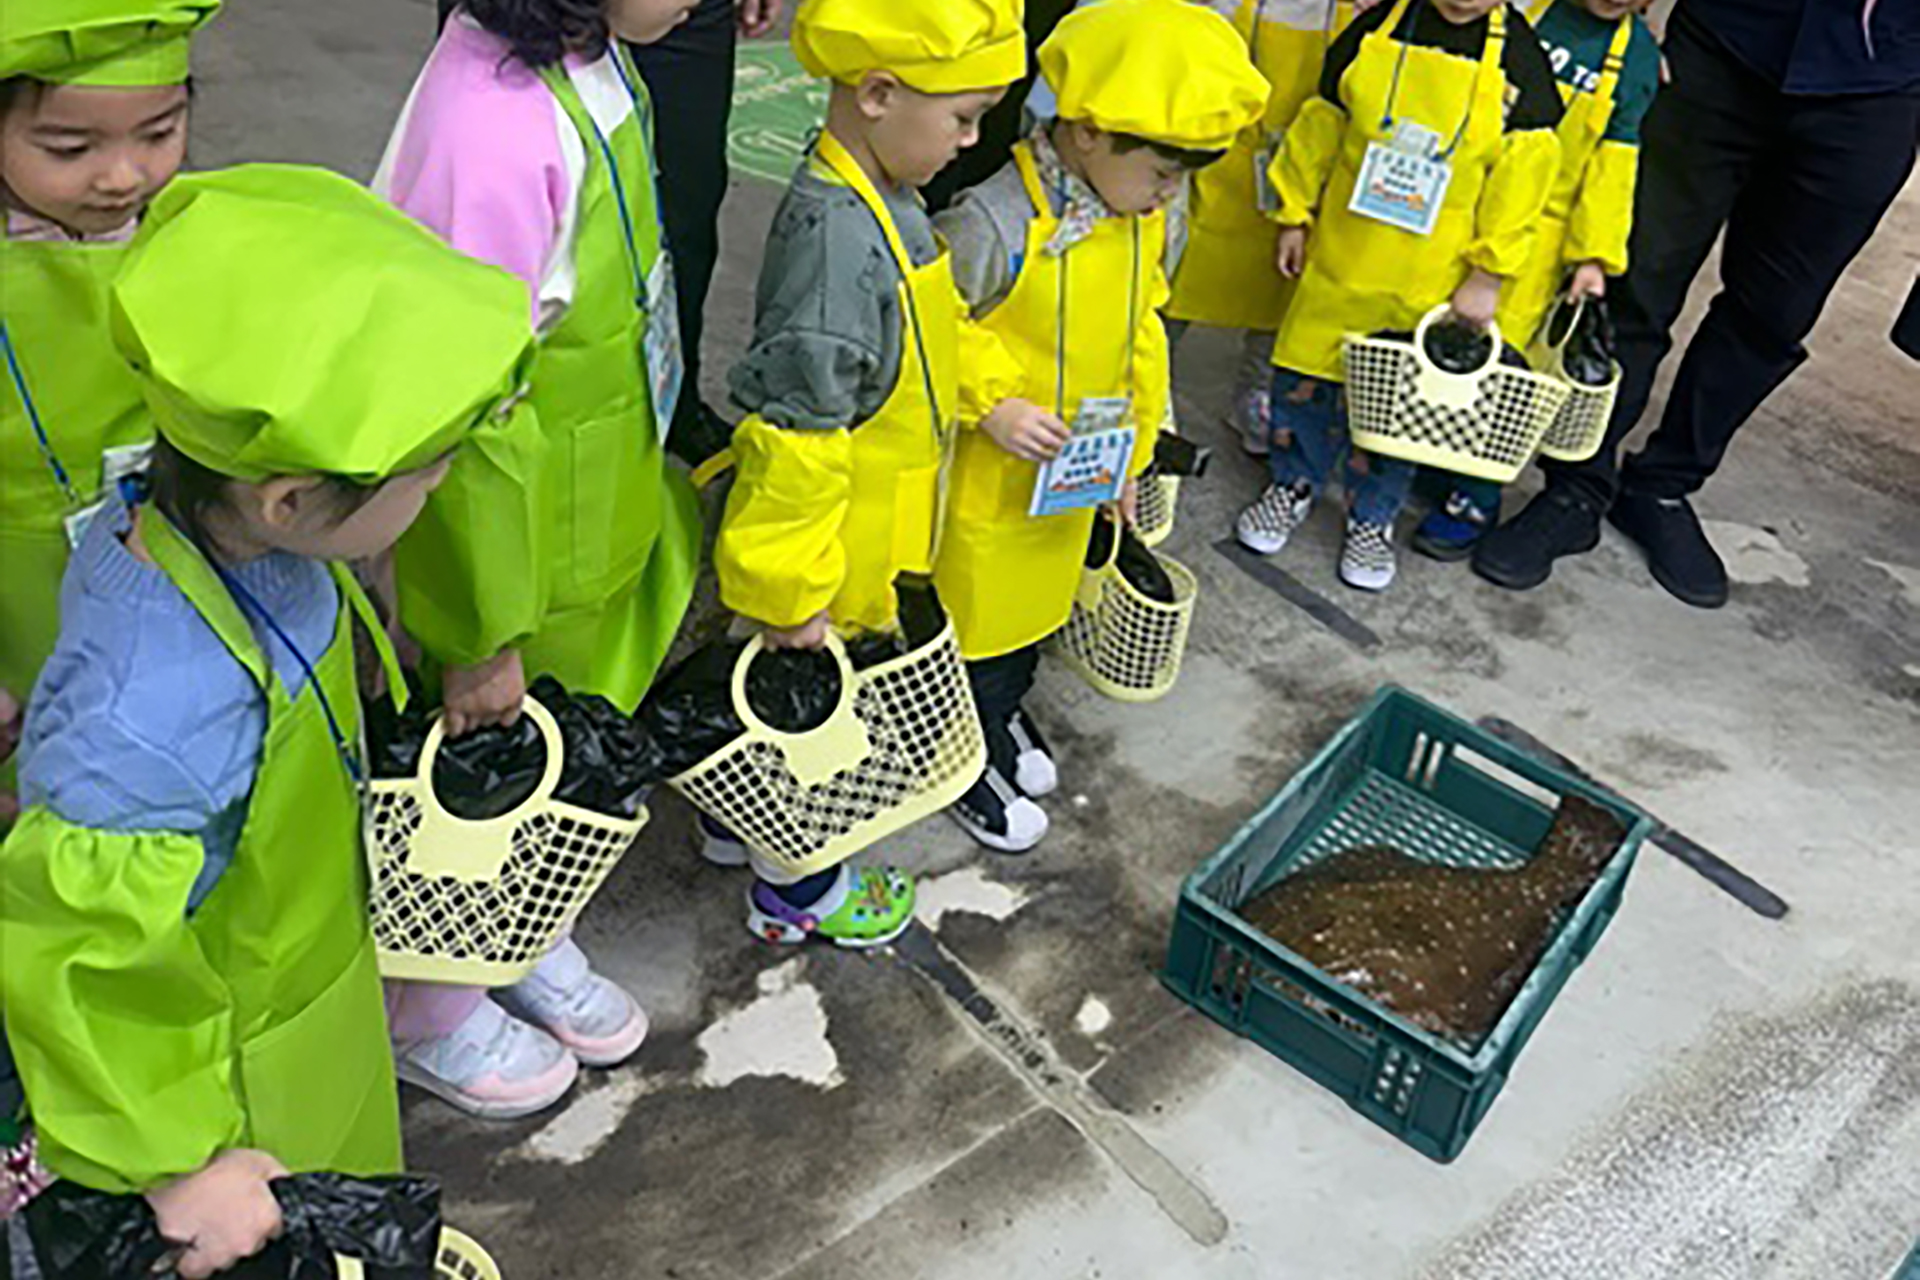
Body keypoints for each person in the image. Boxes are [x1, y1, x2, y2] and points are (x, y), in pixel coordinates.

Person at [1, 164, 534, 1276]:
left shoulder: (232, 534)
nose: (440, 487)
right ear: (291, 499)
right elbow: (87, 953)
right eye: (426, 473)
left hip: (313, 989)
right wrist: (181, 1158)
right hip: (229, 1073)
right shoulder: (138, 718)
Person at [374, 0, 701, 1119]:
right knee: (468, 769)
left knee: (543, 763)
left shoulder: (601, 60)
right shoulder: (489, 130)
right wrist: (474, 635)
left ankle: (523, 925)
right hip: (502, 546)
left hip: (581, 505)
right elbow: (457, 413)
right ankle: (429, 1005)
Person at [717, 0, 1024, 945]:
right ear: (880, 93)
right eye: (963, 119)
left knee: (778, 715)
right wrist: (792, 594)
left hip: (868, 528)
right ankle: (798, 892)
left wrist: (992, 397)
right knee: (818, 738)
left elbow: (933, 332)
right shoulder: (835, 248)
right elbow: (796, 446)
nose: (971, 142)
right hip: (830, 553)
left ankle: (735, 823)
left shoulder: (884, 198)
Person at [933, 0, 1267, 852]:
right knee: (966, 626)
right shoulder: (991, 223)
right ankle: (957, 755)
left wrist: (1140, 445)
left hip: (1075, 476)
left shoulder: (1151, 217)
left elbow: (1143, 327)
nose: (1171, 191)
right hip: (981, 481)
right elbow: (930, 327)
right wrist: (994, 402)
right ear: (1083, 131)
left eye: (1185, 173)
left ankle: (1000, 716)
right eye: (1162, 168)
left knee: (1039, 613)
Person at [1472, 0, 1920, 607]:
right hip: (1724, 44)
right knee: (1637, 276)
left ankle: (1663, 484)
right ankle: (1578, 483)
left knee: (1773, 314)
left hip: (1880, 82)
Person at [1234, 0, 1564, 592]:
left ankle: (1371, 518)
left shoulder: (1518, 59)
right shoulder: (1379, 25)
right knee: (1305, 384)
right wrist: (1294, 213)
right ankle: (1291, 484)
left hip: (1432, 281)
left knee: (1397, 410)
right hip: (1342, 254)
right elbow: (1323, 124)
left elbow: (1522, 180)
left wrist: (1488, 274)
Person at [0, 0, 221, 801]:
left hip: (157, 560)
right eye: (69, 147)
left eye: (159, 133)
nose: (123, 176)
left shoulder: (192, 231)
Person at [431, 0, 784, 467]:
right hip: (524, 474)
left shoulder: (612, 58)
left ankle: (662, 410)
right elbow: (468, 337)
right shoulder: (499, 131)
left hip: (591, 457)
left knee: (678, 204)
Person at [1411, 0, 1660, 562]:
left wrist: (1593, 257)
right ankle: (1420, 458)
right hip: (1472, 205)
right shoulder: (1523, 15)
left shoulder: (1637, 60)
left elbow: (1614, 166)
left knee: (1502, 374)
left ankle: (1474, 495)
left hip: (1542, 245)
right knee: (1437, 348)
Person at [1166, 0, 1358, 457]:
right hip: (1215, 149)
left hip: (1305, 159)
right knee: (1173, 278)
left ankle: (1255, 395)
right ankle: (1140, 387)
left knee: (1280, 288)